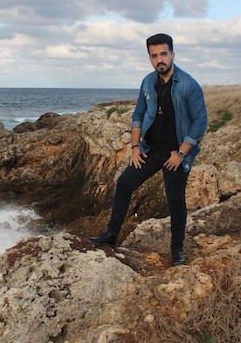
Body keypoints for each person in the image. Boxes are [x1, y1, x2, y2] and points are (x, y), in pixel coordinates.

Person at [88, 33, 208, 266]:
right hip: (151, 150)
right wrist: (135, 147)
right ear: (150, 58)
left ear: (173, 54)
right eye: (154, 56)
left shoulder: (188, 85)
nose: (159, 59)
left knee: (175, 202)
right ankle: (111, 236)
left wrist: (181, 153)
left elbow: (200, 121)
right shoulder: (148, 82)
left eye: (164, 54)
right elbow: (139, 114)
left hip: (176, 155)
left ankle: (177, 253)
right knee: (124, 184)